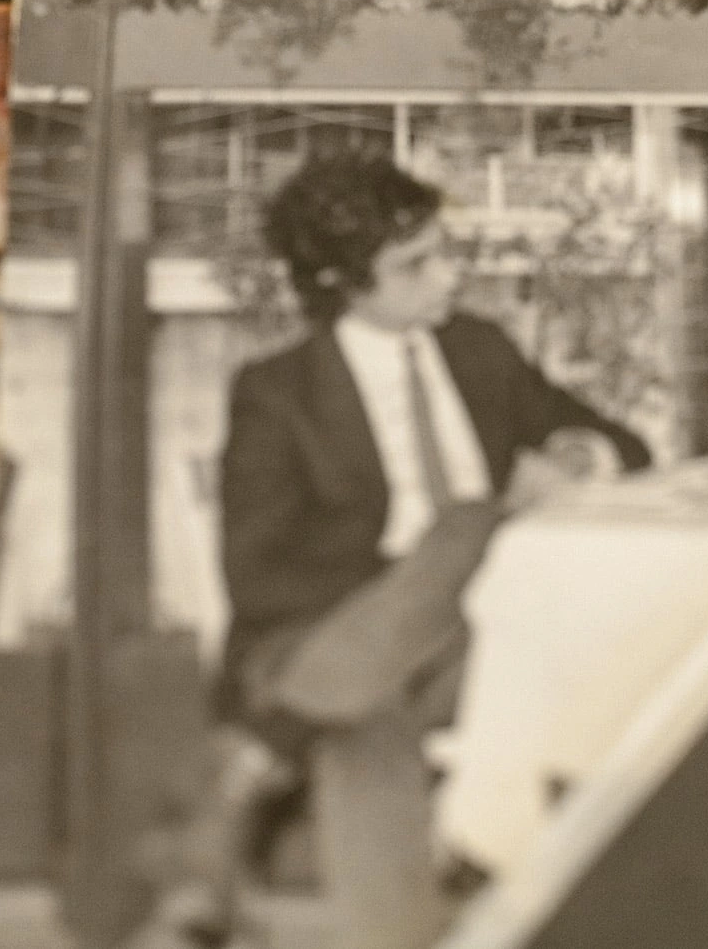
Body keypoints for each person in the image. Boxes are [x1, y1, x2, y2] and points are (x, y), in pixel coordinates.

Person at [214, 155, 651, 949]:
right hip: (328, 633)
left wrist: (577, 455)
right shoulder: (277, 392)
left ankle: (279, 733)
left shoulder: (480, 351)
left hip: (484, 631)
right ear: (342, 283)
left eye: (444, 252)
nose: (448, 276)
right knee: (382, 700)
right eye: (415, 265)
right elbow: (259, 573)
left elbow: (623, 442)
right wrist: (420, 582)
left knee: (472, 532)